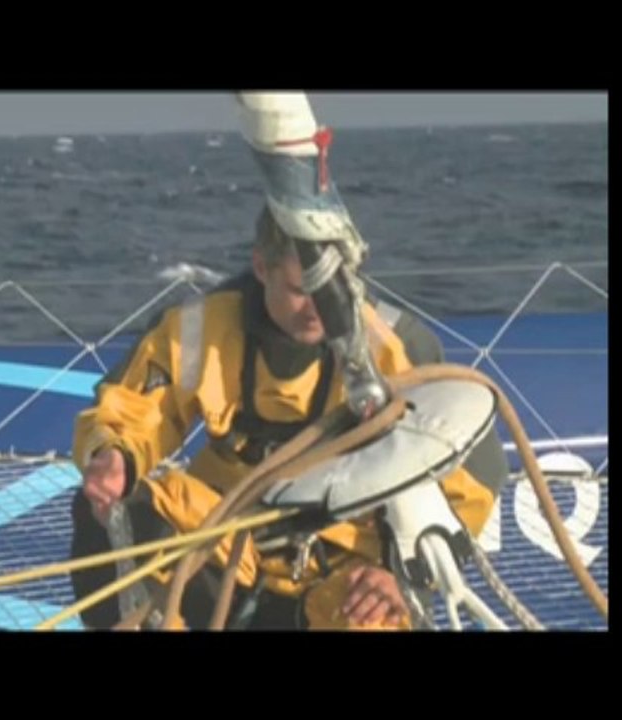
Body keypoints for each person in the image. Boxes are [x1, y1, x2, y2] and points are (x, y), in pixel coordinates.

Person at [68, 205, 508, 630]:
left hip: (343, 566)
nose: (319, 308)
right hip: (228, 540)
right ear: (262, 267)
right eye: (302, 290)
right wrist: (114, 456)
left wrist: (401, 577)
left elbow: (473, 474)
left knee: (375, 618)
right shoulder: (200, 330)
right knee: (116, 511)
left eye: (335, 286)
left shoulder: (394, 347)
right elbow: (134, 409)